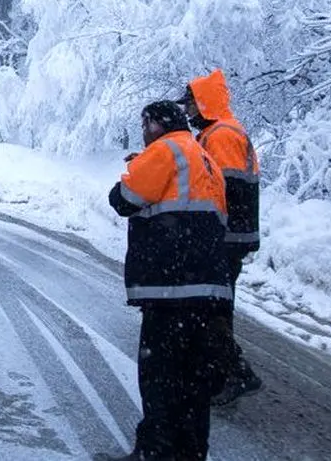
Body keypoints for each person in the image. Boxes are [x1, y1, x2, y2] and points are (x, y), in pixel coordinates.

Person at [105, 101, 231, 461]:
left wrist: (133, 169)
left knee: (160, 374)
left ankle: (154, 451)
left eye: (145, 125)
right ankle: (190, 453)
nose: (143, 133)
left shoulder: (165, 150)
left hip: (170, 285)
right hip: (209, 288)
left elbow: (124, 198)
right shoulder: (206, 159)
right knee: (195, 379)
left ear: (157, 125)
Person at [180, 69, 263, 406]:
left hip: (225, 239)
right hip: (227, 237)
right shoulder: (215, 133)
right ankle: (218, 373)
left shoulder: (222, 136)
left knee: (211, 308)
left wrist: (208, 234)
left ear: (204, 103)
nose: (187, 112)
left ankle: (234, 373)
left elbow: (222, 190)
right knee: (212, 306)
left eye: (190, 104)